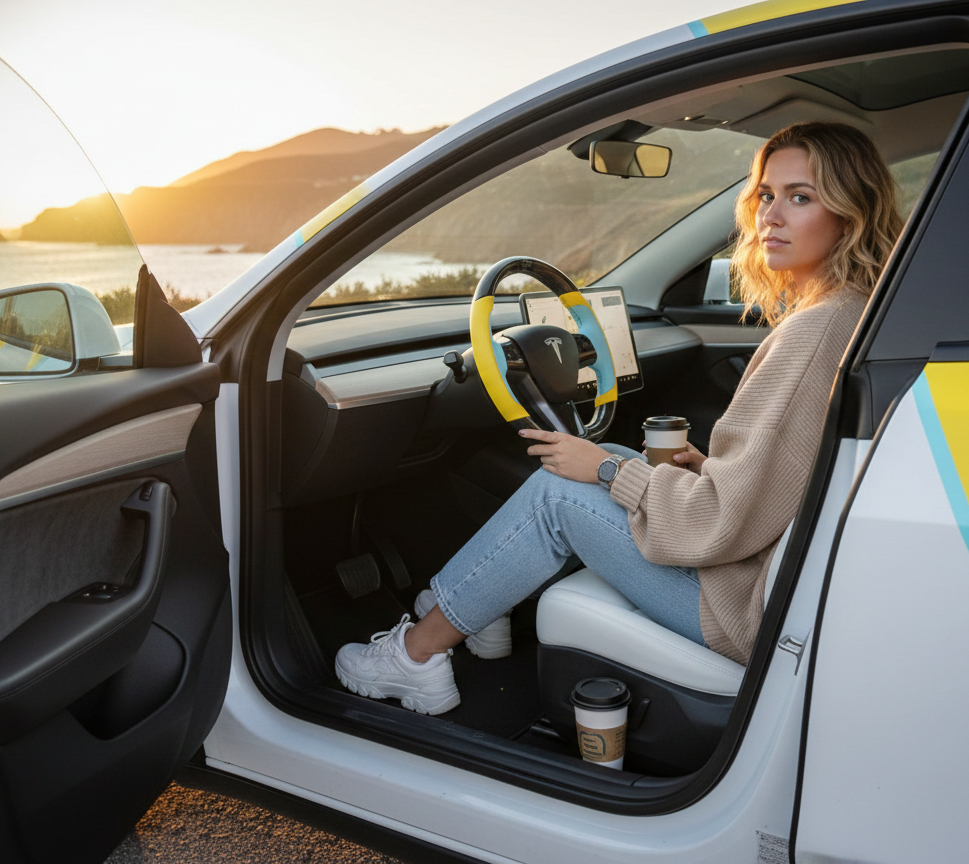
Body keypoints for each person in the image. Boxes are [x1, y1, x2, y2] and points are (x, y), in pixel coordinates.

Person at [334, 122, 904, 715]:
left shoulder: (811, 332)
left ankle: (417, 656)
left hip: (742, 608)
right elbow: (790, 478)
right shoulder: (852, 313)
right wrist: (704, 467)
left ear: (849, 212)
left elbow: (716, 522)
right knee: (610, 465)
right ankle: (477, 607)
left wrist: (605, 468)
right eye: (766, 194)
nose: (772, 217)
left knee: (560, 488)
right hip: (769, 576)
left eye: (801, 197)